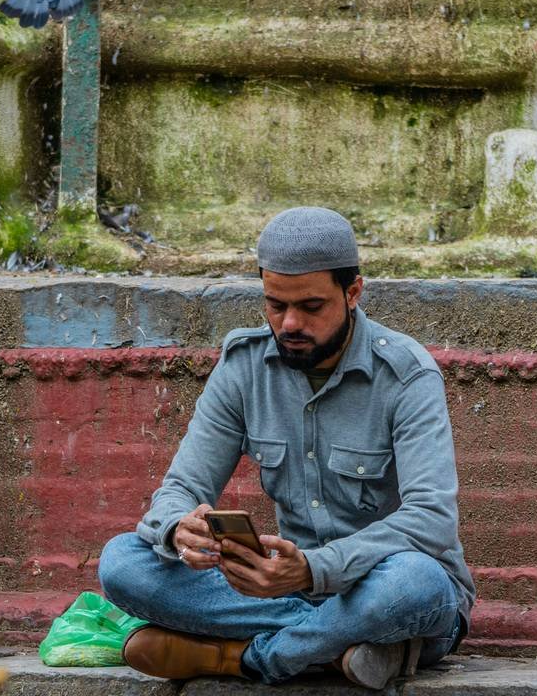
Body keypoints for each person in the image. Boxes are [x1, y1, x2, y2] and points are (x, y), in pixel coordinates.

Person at [98, 206, 474, 690]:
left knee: (413, 584)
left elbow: (431, 519)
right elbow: (183, 488)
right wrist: (178, 531)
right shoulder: (243, 366)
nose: (290, 323)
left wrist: (314, 569)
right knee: (124, 561)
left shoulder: (407, 375)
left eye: (312, 307)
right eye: (275, 305)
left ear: (353, 292)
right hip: (284, 591)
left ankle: (245, 658)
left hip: (380, 588)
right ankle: (335, 649)